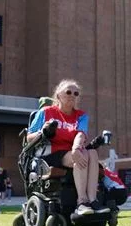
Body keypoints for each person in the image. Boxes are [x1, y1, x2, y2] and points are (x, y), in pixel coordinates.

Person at [26, 79, 109, 216]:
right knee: (83, 155)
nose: (72, 95)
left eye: (76, 93)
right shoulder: (46, 112)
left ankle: (93, 201)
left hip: (73, 151)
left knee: (92, 153)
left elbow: (80, 134)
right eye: (68, 92)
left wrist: (76, 148)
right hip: (51, 153)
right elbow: (29, 137)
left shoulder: (81, 115)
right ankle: (82, 202)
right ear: (58, 95)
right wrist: (44, 131)